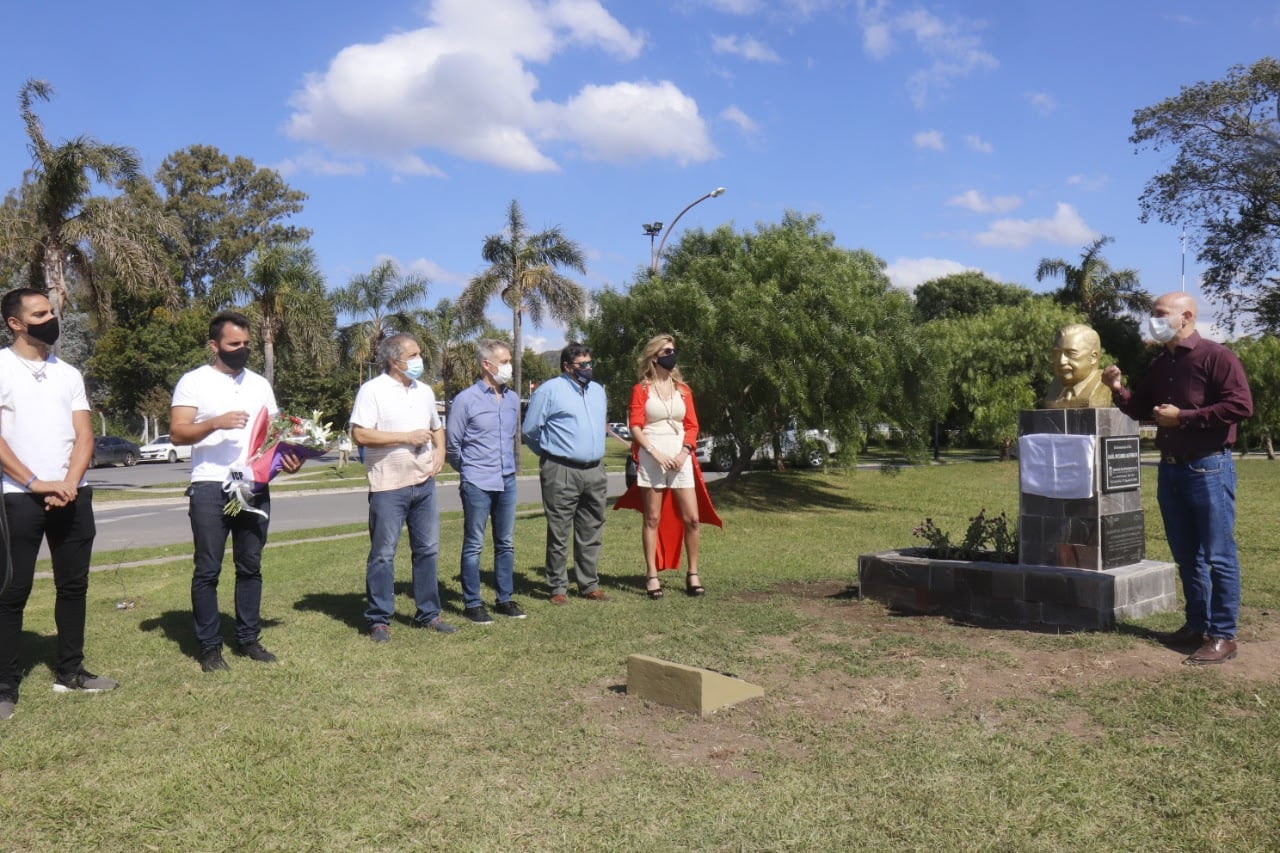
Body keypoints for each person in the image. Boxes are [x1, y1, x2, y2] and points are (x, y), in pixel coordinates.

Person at [1102, 292, 1253, 665]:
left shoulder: (1217, 356)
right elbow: (1139, 408)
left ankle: (1222, 635)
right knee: (1187, 556)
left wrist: (1184, 417)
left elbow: (1240, 406)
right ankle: (1195, 625)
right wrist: (1118, 388)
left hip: (1208, 467)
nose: (1152, 319)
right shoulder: (1161, 364)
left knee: (1219, 556)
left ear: (1185, 316)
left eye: (1159, 313)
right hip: (1170, 470)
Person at [0, 288, 118, 720]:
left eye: (51, 311)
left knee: (74, 587)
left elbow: (84, 435)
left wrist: (68, 482)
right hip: (18, 497)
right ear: (16, 322)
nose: (52, 317)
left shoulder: (68, 373)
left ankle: (71, 672)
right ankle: (4, 686)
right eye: (40, 313)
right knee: (12, 592)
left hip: (73, 494)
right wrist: (34, 481)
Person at [171, 310, 302, 673]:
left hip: (254, 485)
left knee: (250, 566)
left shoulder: (260, 384)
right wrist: (215, 423)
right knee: (208, 569)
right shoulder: (193, 382)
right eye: (233, 344)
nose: (241, 349)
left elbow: (275, 435)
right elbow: (179, 433)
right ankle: (210, 647)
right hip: (211, 484)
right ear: (214, 345)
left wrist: (290, 458)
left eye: (246, 344)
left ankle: (248, 639)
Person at [350, 333, 455, 641]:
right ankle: (379, 619)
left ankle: (429, 614)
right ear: (394, 360)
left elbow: (437, 427)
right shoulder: (372, 391)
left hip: (423, 483)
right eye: (414, 355)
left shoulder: (423, 391)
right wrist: (406, 437)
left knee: (427, 550)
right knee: (383, 554)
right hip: (388, 486)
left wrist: (440, 452)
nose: (420, 360)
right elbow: (361, 435)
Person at [613, 334, 721, 598]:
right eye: (667, 351)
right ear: (654, 357)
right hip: (653, 456)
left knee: (692, 519)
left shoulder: (683, 390)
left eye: (673, 351)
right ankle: (652, 575)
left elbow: (693, 426)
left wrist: (685, 452)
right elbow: (636, 427)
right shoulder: (642, 390)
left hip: (681, 457)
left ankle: (693, 573)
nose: (672, 355)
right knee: (652, 518)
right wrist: (654, 453)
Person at [522, 342, 610, 605]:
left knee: (591, 528)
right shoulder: (550, 390)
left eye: (590, 363)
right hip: (561, 469)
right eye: (582, 365)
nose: (588, 368)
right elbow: (529, 431)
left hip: (595, 470)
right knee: (559, 530)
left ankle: (588, 584)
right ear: (567, 367)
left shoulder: (597, 391)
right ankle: (558, 586)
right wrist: (551, 455)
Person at [446, 340, 525, 623]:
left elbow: (512, 438)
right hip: (477, 481)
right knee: (474, 544)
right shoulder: (466, 400)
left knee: (505, 542)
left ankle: (505, 599)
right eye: (503, 361)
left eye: (509, 361)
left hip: (507, 480)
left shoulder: (513, 399)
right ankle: (472, 603)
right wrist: (468, 471)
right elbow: (452, 445)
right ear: (486, 365)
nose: (508, 367)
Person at [1043, 324, 1114, 408]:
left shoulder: (1104, 382)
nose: (1061, 361)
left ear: (1093, 357)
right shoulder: (1055, 388)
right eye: (1057, 353)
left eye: (1071, 353)